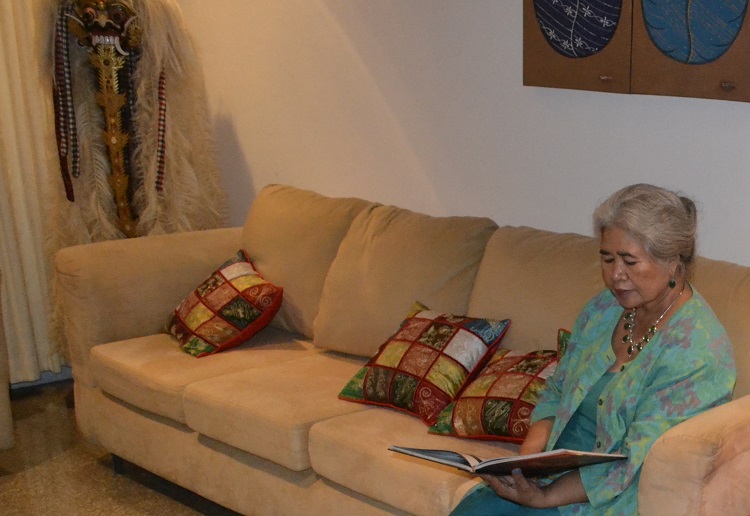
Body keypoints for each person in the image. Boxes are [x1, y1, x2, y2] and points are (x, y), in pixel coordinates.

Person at [452, 183, 736, 515]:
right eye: (607, 258)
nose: (616, 275)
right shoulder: (603, 309)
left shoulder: (698, 351)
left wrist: (545, 496)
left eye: (629, 261)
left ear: (673, 262)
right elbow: (557, 389)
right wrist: (525, 465)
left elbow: (638, 460)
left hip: (611, 500)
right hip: (548, 481)